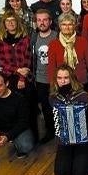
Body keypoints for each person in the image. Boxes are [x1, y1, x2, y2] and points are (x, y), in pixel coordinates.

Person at [0, 10, 39, 141]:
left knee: (30, 108)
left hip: (26, 78)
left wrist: (22, 77)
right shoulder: (0, 40)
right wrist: (17, 71)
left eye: (13, 20)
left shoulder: (25, 38)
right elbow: (2, 61)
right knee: (14, 109)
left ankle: (34, 137)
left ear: (17, 22)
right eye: (7, 21)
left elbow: (28, 58)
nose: (10, 23)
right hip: (9, 78)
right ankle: (16, 137)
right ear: (4, 24)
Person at [50, 65, 88, 175]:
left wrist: (86, 129)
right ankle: (72, 157)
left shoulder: (82, 96)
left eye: (66, 78)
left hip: (83, 141)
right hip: (64, 141)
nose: (63, 81)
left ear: (72, 79)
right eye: (59, 78)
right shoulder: (53, 98)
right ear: (56, 80)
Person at [31, 9, 58, 143]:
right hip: (40, 79)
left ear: (50, 21)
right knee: (46, 107)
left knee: (57, 105)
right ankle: (50, 131)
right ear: (36, 22)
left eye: (45, 20)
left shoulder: (56, 36)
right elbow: (33, 58)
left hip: (56, 78)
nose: (42, 23)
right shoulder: (34, 37)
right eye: (39, 20)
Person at [48, 13, 88, 90]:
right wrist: (53, 85)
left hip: (81, 82)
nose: (67, 27)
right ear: (59, 26)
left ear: (74, 26)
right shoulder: (53, 44)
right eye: (64, 24)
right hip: (62, 83)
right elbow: (51, 68)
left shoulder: (83, 41)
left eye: (70, 24)